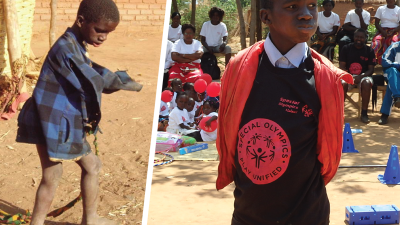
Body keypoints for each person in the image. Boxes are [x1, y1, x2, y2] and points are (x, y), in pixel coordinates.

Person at [216, 0, 353, 224]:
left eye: (311, 5)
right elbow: (228, 136)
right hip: (249, 214)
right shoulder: (239, 68)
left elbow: (327, 157)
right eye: (292, 7)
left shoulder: (326, 77)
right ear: (265, 17)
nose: (307, 15)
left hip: (308, 215)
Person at [15, 0, 142, 224]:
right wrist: (121, 82)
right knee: (63, 173)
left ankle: (86, 219)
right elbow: (92, 78)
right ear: (81, 21)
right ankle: (89, 219)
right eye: (100, 30)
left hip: (52, 118)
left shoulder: (74, 43)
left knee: (61, 173)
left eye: (108, 33)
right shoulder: (65, 48)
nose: (104, 37)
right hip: (54, 121)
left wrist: (116, 79)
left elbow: (89, 68)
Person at [340, 28, 376, 123]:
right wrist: (349, 77)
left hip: (363, 77)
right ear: (353, 37)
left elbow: (371, 69)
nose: (359, 39)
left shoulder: (369, 51)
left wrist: (360, 77)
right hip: (348, 76)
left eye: (361, 37)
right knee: (341, 83)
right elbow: (342, 66)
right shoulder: (346, 48)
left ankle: (364, 113)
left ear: (365, 38)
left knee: (367, 83)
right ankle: (340, 113)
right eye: (357, 37)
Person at [371, 0, 400, 65]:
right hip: (382, 30)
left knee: (394, 42)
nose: (390, 1)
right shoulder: (381, 9)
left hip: (395, 30)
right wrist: (383, 31)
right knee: (376, 42)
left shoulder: (398, 10)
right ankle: (373, 62)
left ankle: (392, 62)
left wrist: (393, 31)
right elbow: (376, 23)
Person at [378, 41, 400, 124]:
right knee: (393, 73)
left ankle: (384, 115)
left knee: (391, 87)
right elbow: (384, 61)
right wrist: (398, 66)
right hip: (391, 74)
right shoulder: (395, 46)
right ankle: (397, 97)